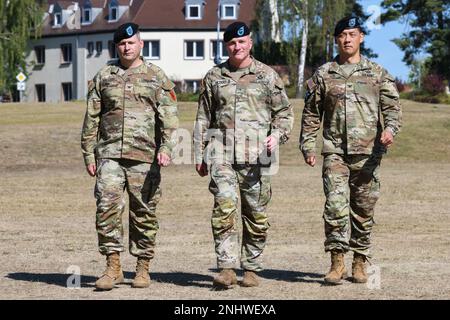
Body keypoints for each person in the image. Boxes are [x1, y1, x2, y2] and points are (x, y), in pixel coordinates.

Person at [300, 16, 402, 285]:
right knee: (335, 206)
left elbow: (392, 109)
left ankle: (359, 261)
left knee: (363, 209)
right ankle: (336, 262)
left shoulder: (377, 73)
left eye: (352, 34)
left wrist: (390, 130)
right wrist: (307, 145)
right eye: (343, 35)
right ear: (336, 40)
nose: (347, 39)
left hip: (368, 154)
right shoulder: (324, 74)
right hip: (334, 152)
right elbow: (311, 114)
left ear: (362, 37)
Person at [194, 22, 294, 289]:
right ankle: (226, 268)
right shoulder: (214, 76)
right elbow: (204, 117)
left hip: (258, 157)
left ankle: (250, 267)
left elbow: (284, 113)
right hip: (221, 154)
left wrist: (278, 135)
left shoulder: (268, 76)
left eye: (241, 42)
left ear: (250, 42)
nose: (237, 47)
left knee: (256, 214)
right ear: (226, 46)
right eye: (231, 43)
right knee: (224, 207)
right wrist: (199, 153)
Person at [81, 22, 178, 290]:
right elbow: (91, 117)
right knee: (106, 208)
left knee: (143, 213)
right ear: (117, 46)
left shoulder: (156, 76)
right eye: (122, 43)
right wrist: (88, 153)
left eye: (131, 42)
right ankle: (113, 268)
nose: (126, 47)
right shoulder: (104, 76)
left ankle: (143, 268)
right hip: (109, 155)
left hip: (145, 157)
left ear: (141, 44)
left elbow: (168, 118)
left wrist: (167, 149)